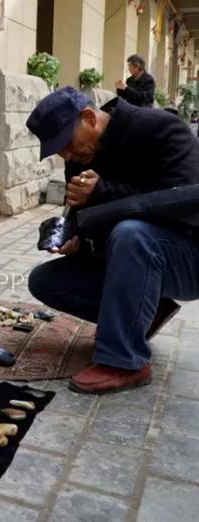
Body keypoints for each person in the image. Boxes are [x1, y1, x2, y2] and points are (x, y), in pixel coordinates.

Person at [25, 86, 199, 394]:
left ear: (89, 117)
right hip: (138, 257)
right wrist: (75, 238)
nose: (67, 155)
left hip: (189, 256)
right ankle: (145, 313)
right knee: (46, 280)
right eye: (59, 151)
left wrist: (104, 193)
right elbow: (88, 219)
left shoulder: (160, 128)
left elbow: (185, 201)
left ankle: (124, 361)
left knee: (132, 233)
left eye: (66, 144)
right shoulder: (80, 157)